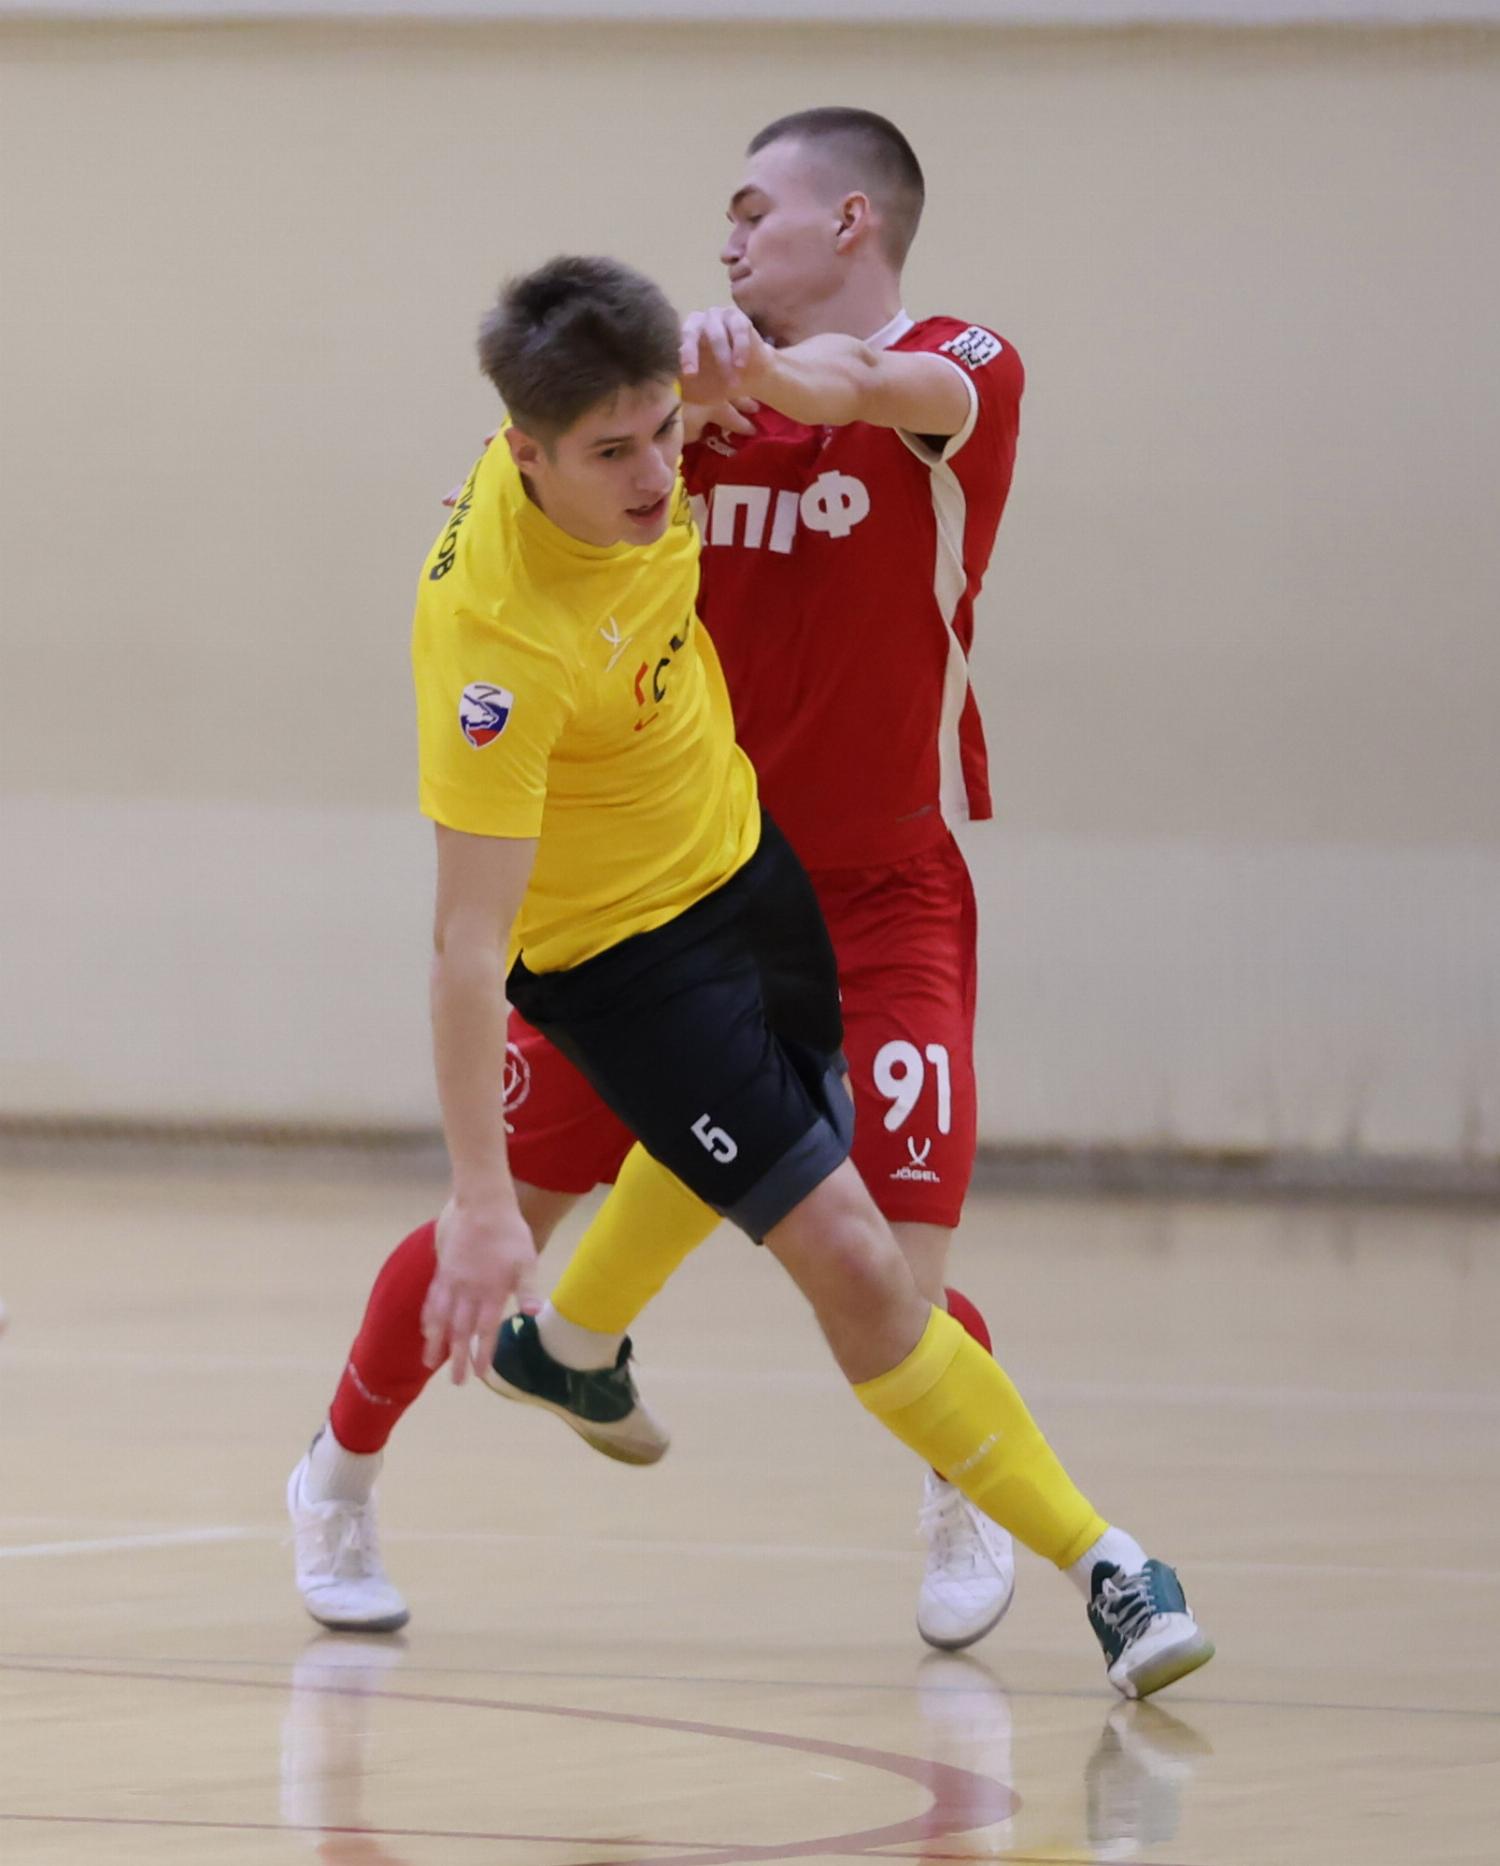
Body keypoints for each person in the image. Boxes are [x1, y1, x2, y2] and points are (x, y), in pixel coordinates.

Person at [288, 252, 1213, 1703]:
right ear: (526, 457)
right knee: (854, 1260)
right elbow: (466, 945)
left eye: (666, 429)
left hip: (743, 864)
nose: (662, 473)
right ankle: (1111, 1567)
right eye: (615, 453)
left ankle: (572, 1339)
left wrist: (732, 367)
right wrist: (475, 1201)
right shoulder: (497, 648)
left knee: (810, 1151)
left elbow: (817, 380)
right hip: (623, 961)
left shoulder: (639, 417)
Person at [485, 106, 1026, 1650]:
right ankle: (345, 1469)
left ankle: (967, 1495)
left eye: (751, 210)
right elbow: (549, 518)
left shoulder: (964, 366)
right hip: (687, 894)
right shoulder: (682, 429)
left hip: (884, 891)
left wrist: (757, 378)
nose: (724, 240)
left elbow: (854, 382)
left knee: (892, 1264)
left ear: (849, 220)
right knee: (501, 1205)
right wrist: (660, 413)